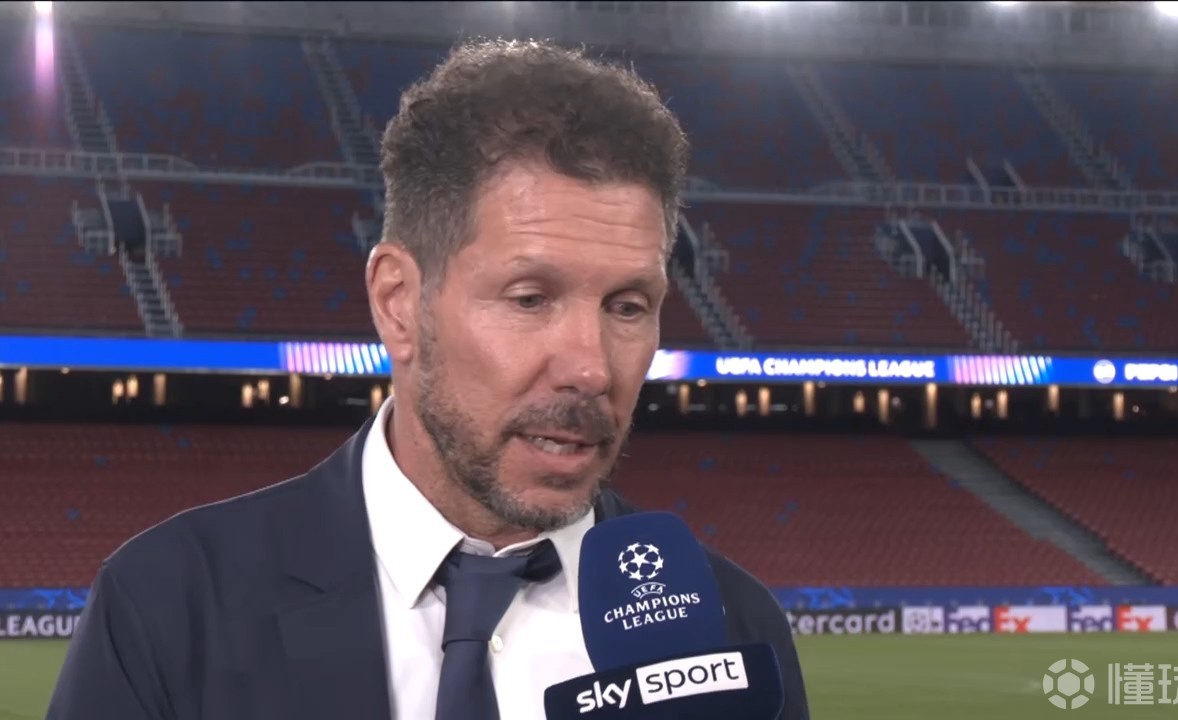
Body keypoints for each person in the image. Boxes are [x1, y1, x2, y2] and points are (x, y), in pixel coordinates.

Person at [47, 39, 809, 720]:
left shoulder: (734, 632)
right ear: (399, 303)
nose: (591, 367)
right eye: (530, 298)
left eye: (628, 306)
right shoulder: (169, 610)